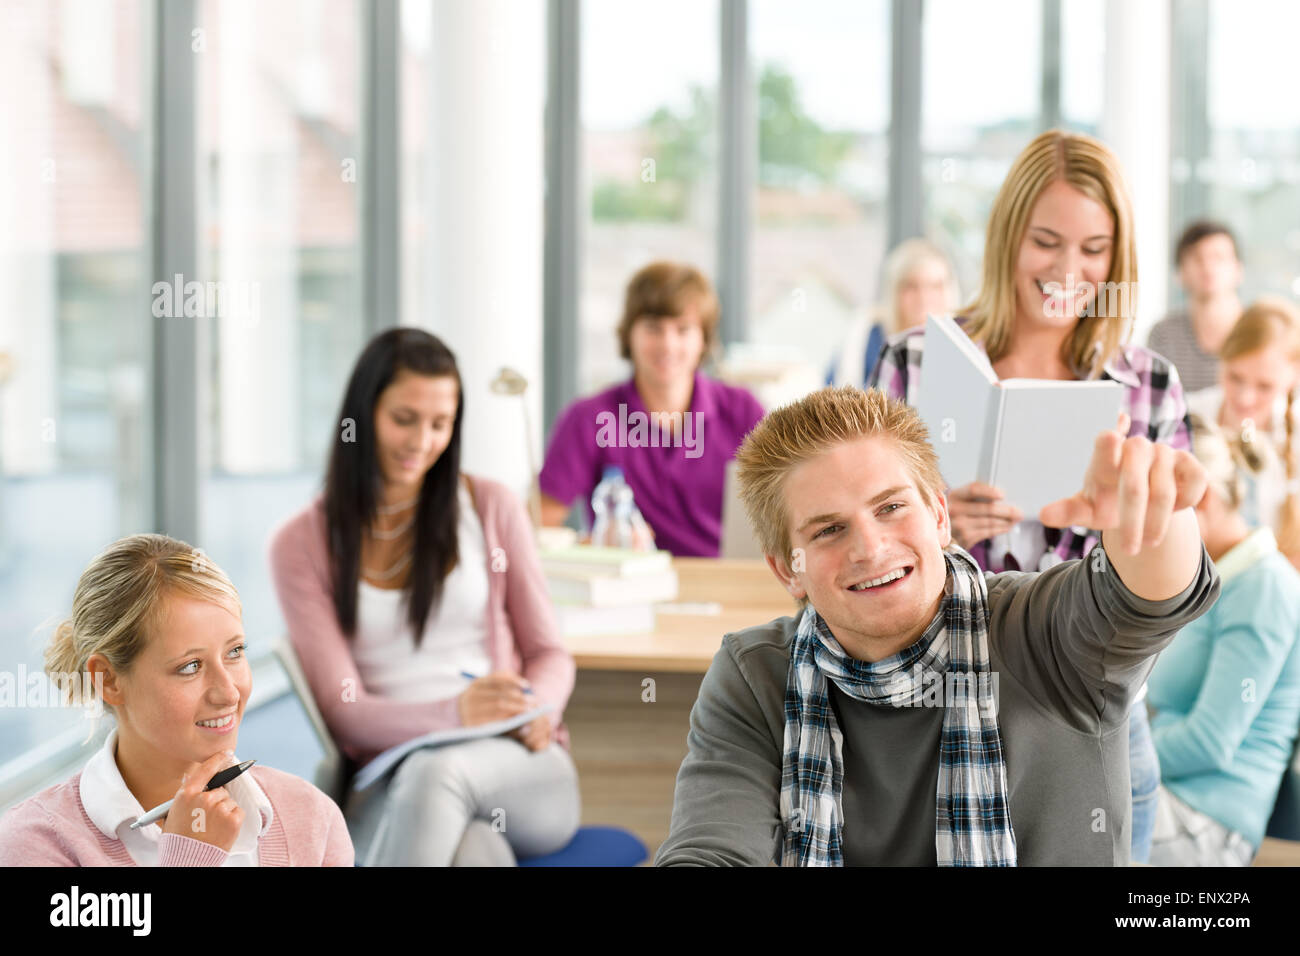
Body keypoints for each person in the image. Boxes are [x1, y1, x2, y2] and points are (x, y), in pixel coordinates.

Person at [656, 387, 1218, 866]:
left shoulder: (1041, 629)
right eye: (828, 530)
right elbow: (712, 848)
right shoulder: (754, 673)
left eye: (891, 507)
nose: (870, 548)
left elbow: (1149, 595)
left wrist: (1154, 514)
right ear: (787, 569)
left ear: (940, 516)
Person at [868, 129, 1187, 861]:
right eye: (1047, 241)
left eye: (1094, 249)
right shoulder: (914, 362)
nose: (1068, 270)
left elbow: (1170, 601)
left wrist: (1122, 540)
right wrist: (934, 537)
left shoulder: (1149, 389)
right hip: (940, 720)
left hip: (1093, 726)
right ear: (1009, 236)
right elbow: (861, 553)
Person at [269, 327, 580, 866]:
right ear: (363, 415)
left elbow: (549, 653)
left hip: (516, 766)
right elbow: (348, 713)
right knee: (478, 851)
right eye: (404, 419)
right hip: (389, 778)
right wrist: (456, 712)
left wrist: (538, 706)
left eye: (441, 424)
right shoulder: (301, 543)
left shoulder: (490, 506)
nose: (421, 442)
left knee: (438, 772)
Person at [0, 534, 354, 866]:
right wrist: (190, 857)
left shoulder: (311, 818)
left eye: (235, 652)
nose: (229, 692)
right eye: (190, 666)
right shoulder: (33, 847)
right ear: (107, 680)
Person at [1146, 413, 1300, 866]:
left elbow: (1210, 741)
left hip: (1208, 821)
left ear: (1202, 497)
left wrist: (1111, 755)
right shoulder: (1211, 579)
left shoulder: (1263, 586)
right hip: (1166, 793)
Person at [538, 261, 766, 557]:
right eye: (653, 329)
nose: (667, 345)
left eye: (683, 329)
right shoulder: (589, 418)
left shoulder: (743, 411)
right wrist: (591, 544)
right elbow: (539, 525)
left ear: (703, 340)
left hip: (726, 585)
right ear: (629, 334)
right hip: (626, 587)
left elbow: (787, 511)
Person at [1184, 296, 1300, 568]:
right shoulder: (1187, 416)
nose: (1245, 398)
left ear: (1294, 376)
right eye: (1235, 377)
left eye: (1264, 386)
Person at [826, 238, 960, 387]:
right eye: (911, 286)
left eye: (935, 286)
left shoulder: (961, 349)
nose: (923, 297)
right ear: (894, 291)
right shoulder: (863, 338)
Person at [1147, 221, 1244, 394]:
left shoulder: (1260, 331)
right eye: (1197, 258)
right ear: (1180, 273)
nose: (1208, 267)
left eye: (1218, 257)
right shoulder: (1163, 334)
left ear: (1238, 269)